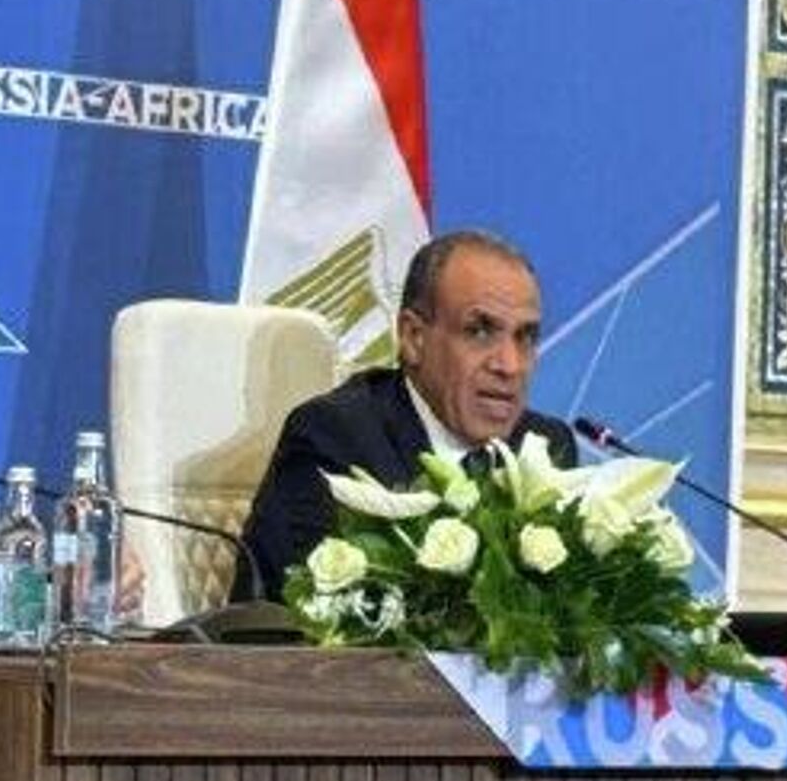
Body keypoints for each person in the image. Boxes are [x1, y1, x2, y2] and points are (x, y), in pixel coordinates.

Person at [237, 229, 578, 599]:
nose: (509, 365)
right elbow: (299, 611)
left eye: (525, 337)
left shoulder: (543, 447)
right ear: (414, 337)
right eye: (479, 331)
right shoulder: (336, 437)